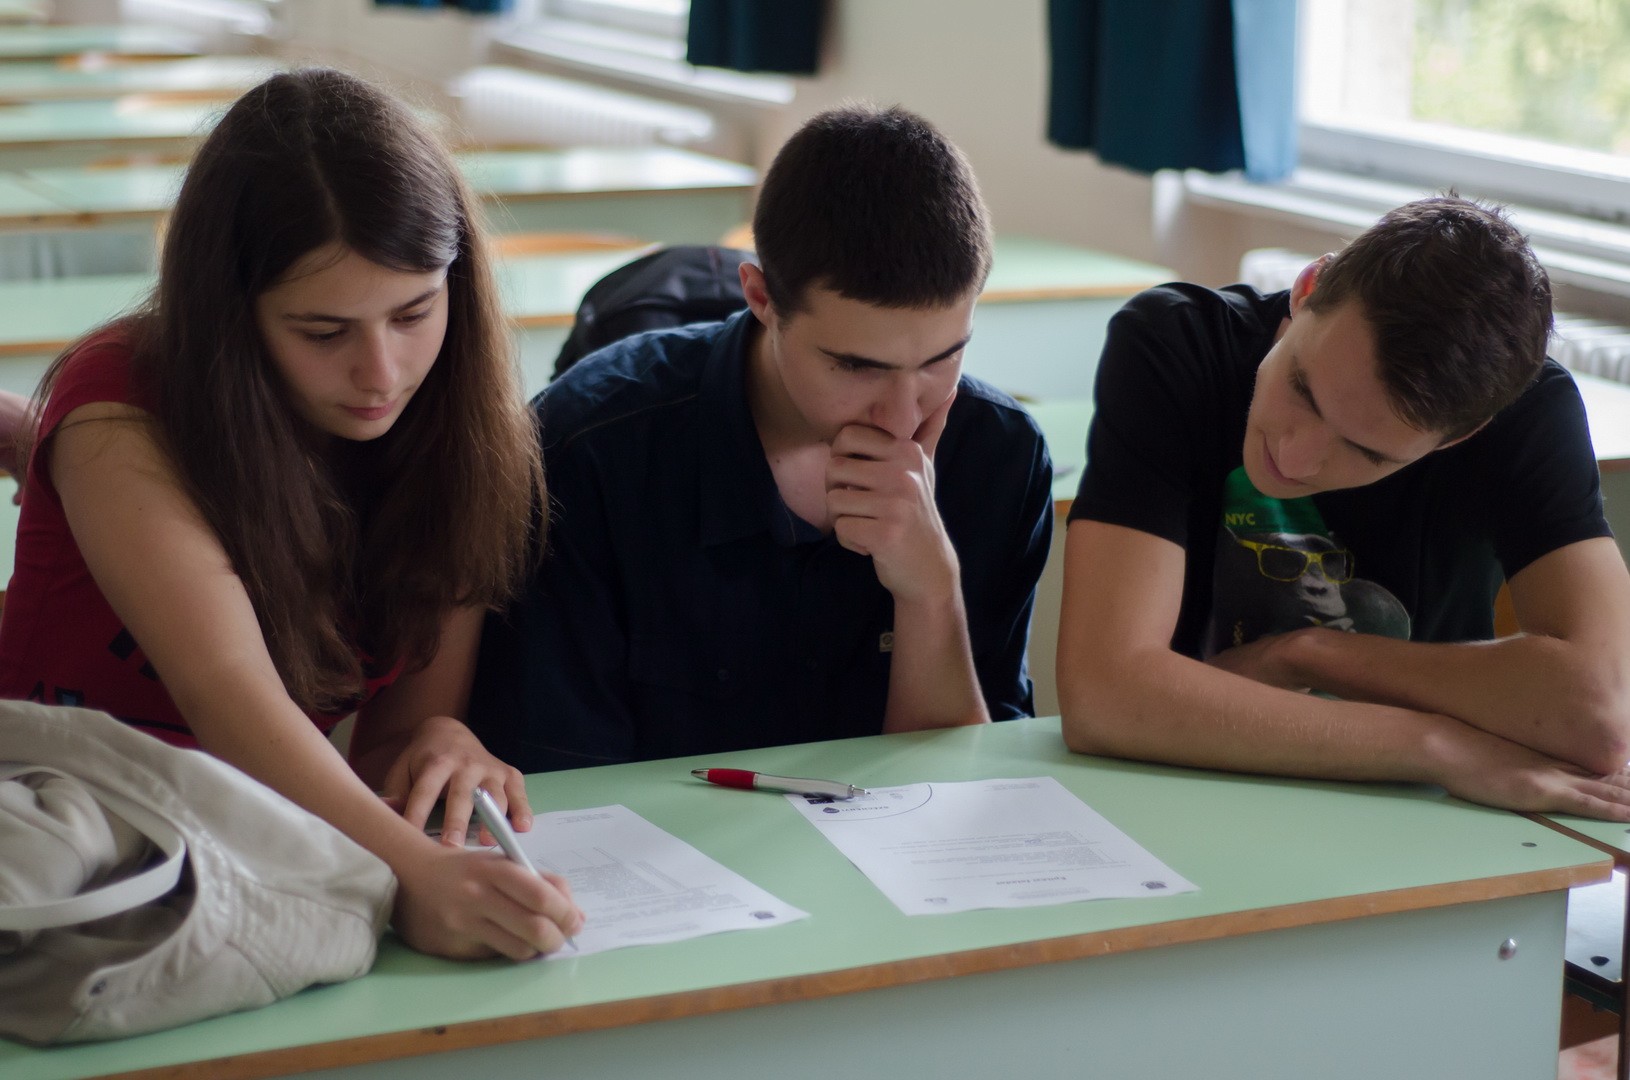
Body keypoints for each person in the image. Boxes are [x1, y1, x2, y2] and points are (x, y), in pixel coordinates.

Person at [0, 69, 583, 959]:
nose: (381, 373)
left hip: (258, 860)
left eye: (414, 313)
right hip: (72, 849)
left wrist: (435, 747)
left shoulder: (461, 434)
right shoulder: (118, 410)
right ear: (230, 315)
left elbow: (383, 749)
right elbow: (228, 695)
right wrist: (412, 876)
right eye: (323, 332)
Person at [469, 104, 1053, 771]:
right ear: (761, 296)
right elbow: (561, 789)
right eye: (856, 366)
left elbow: (967, 790)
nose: (900, 419)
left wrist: (931, 591)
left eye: (941, 360)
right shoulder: (591, 449)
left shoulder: (1001, 457)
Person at [1057, 195, 1630, 819]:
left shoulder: (1529, 414)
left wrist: (1309, 653)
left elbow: (1602, 716)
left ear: (1457, 438)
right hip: (1186, 790)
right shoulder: (1178, 341)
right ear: (1308, 288)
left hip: (1417, 819)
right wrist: (1433, 745)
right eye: (1303, 389)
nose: (1294, 457)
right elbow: (1104, 695)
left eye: (1367, 452)